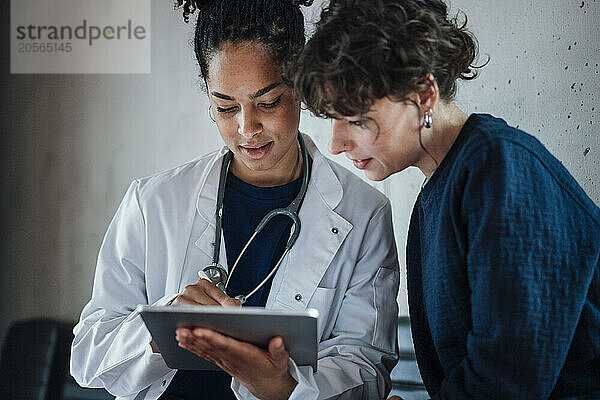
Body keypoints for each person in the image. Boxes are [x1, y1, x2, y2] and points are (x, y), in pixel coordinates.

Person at [70, 1, 401, 399]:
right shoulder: (152, 203)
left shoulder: (363, 213)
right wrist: (161, 327)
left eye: (268, 102)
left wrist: (284, 386)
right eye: (226, 107)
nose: (247, 127)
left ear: (300, 87)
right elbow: (87, 356)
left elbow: (368, 368)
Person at [288, 0, 600, 399]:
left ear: (424, 95)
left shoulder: (501, 167)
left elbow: (508, 381)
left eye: (356, 118)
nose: (335, 143)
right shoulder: (436, 194)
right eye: (332, 118)